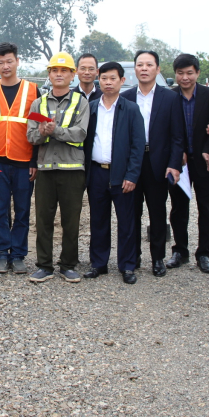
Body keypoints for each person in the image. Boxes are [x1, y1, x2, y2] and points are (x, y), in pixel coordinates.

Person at [26, 52, 90, 283]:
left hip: (72, 170)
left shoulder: (81, 102)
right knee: (43, 220)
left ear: (73, 75)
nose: (59, 74)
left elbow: (80, 133)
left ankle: (68, 265)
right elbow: (31, 136)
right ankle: (44, 265)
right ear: (49, 75)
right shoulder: (38, 103)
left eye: (64, 71)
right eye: (55, 70)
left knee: (71, 221)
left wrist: (55, 131)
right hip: (45, 170)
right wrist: (42, 133)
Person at [120, 50, 183, 277]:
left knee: (157, 212)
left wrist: (174, 164)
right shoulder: (125, 97)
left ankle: (158, 258)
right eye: (140, 65)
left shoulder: (171, 98)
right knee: (131, 212)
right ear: (134, 69)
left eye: (149, 65)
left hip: (158, 163)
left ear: (157, 69)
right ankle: (133, 255)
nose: (144, 69)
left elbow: (178, 136)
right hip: (132, 163)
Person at [83, 61, 144, 284]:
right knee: (98, 220)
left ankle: (127, 265)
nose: (108, 83)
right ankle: (98, 263)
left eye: (113, 78)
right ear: (99, 79)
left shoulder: (131, 109)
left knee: (126, 222)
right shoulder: (91, 107)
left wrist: (132, 175)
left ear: (122, 80)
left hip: (121, 174)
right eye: (104, 78)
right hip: (97, 172)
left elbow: (138, 146)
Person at [0, 42, 41, 274]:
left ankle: (17, 255)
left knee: (23, 211)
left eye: (9, 61)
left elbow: (39, 126)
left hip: (24, 163)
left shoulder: (33, 90)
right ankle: (0, 253)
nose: (5, 66)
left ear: (17, 61)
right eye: (1, 62)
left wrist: (35, 160)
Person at [167, 53, 209, 273]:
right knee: (178, 209)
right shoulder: (170, 97)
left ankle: (204, 254)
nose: (185, 77)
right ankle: (180, 251)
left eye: (189, 73)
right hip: (179, 163)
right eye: (180, 73)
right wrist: (177, 152)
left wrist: (207, 150)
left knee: (207, 209)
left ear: (197, 73)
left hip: (205, 161)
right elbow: (167, 129)